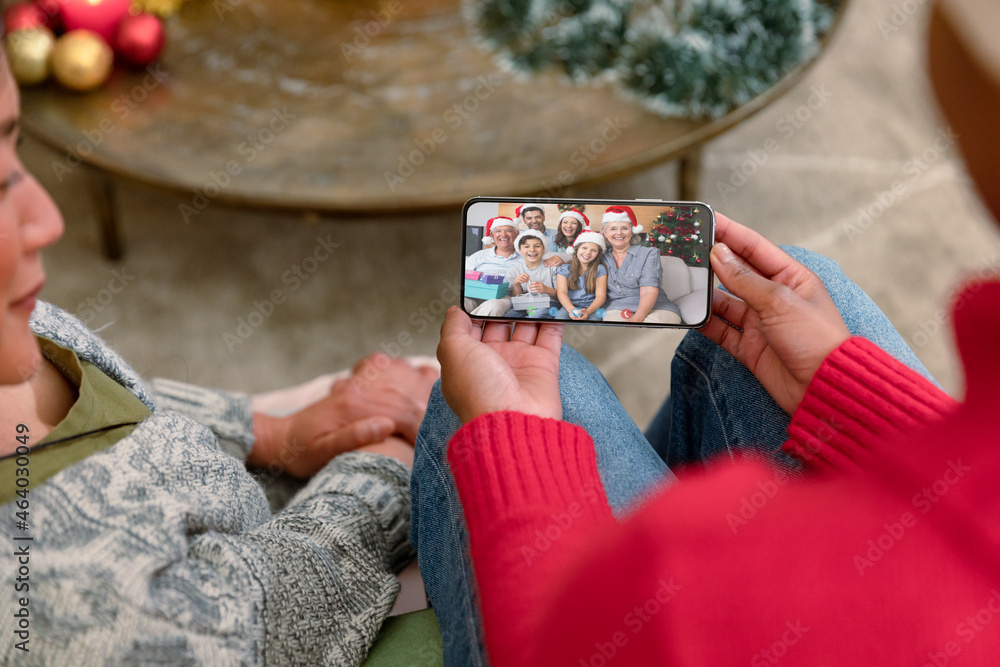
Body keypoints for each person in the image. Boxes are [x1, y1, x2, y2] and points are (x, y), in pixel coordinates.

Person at [409, 0, 1000, 664]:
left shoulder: (697, 581)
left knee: (525, 392)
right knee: (795, 295)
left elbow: (570, 642)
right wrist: (855, 391)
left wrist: (514, 449)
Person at [0, 51, 439, 665]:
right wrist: (384, 466)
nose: (48, 219)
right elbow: (268, 623)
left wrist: (266, 430)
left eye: (15, 146)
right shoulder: (44, 600)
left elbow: (126, 415)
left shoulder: (12, 327)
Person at [600, 205, 682, 324]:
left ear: (632, 231)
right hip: (616, 308)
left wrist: (637, 320)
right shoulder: (600, 256)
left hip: (657, 307)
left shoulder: (649, 253)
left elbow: (649, 291)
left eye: (624, 228)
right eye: (613, 229)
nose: (619, 233)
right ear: (605, 233)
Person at [464, 216, 521, 312]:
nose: (503, 234)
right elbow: (462, 277)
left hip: (502, 297)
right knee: (459, 303)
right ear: (492, 235)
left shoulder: (526, 258)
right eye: (498, 231)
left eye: (508, 230)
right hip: (474, 294)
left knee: (493, 307)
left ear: (517, 234)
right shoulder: (478, 256)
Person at [499, 230, 558, 319]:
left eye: (537, 246)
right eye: (526, 246)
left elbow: (561, 295)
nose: (532, 250)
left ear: (544, 249)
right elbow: (514, 299)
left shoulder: (553, 268)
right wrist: (516, 285)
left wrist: (546, 289)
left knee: (537, 315)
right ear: (520, 250)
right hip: (524, 304)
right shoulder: (514, 270)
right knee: (509, 316)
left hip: (550, 304)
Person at [553, 231, 607, 321]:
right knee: (560, 318)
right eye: (584, 248)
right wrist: (571, 310)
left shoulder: (599, 269)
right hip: (570, 305)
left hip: (592, 307)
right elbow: (562, 292)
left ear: (598, 254)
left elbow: (601, 296)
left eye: (593, 250)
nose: (588, 252)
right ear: (576, 249)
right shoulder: (564, 269)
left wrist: (588, 311)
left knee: (594, 321)